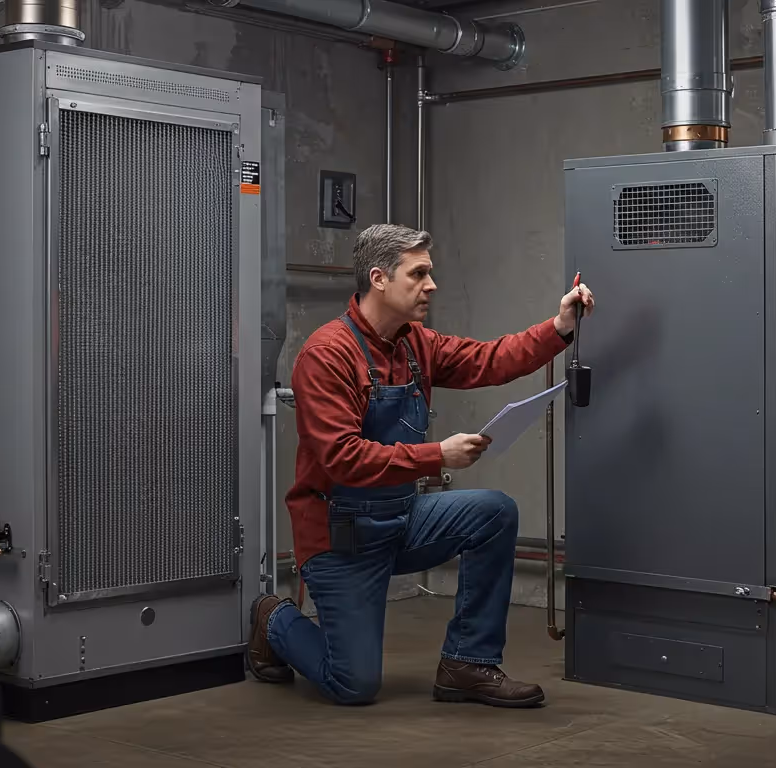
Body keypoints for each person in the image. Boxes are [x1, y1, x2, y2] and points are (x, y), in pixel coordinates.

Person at [246, 223, 595, 708]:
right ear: (379, 279)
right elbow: (342, 458)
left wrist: (558, 328)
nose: (431, 285)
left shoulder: (415, 344)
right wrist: (438, 456)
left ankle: (467, 664)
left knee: (494, 513)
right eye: (419, 274)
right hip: (341, 538)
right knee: (353, 684)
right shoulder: (328, 355)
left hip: (398, 520)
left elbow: (488, 360)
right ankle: (273, 617)